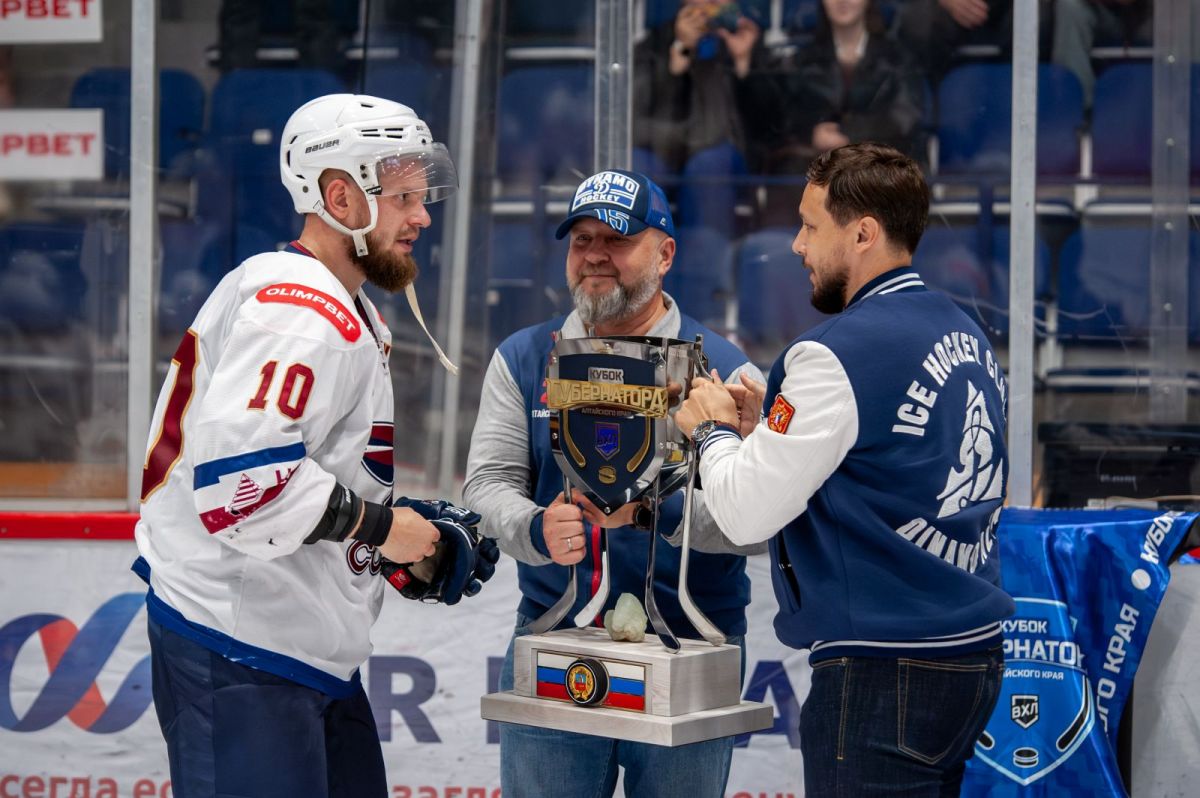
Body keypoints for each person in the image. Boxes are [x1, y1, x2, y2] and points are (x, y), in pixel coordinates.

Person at [133, 93, 490, 798]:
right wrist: (384, 528)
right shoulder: (300, 313)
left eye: (422, 197)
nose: (422, 216)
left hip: (297, 648)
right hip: (240, 647)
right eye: (403, 198)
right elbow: (241, 489)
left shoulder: (337, 303)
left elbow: (305, 472)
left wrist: (397, 542)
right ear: (340, 196)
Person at [676, 143, 1014, 796]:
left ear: (863, 233)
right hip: (971, 655)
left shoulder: (833, 353)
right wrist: (768, 434)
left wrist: (712, 430)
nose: (797, 246)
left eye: (810, 226)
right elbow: (892, 461)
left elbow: (745, 513)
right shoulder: (965, 330)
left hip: (883, 671)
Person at [463, 168, 765, 798]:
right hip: (555, 635)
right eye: (582, 240)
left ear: (666, 253)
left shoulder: (726, 371)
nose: (595, 255)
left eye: (617, 239)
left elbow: (759, 525)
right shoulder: (524, 357)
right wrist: (537, 529)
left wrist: (659, 515)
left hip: (692, 639)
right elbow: (486, 489)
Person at [634, 1, 782, 234]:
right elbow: (639, 110)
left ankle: (706, 252)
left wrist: (744, 63)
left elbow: (771, 122)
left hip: (726, 150)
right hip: (664, 146)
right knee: (637, 166)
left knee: (709, 166)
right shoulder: (655, 43)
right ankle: (634, 250)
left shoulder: (748, 38)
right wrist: (681, 52)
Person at [790, 0, 927, 165]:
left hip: (883, 165)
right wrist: (811, 134)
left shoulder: (898, 58)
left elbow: (904, 117)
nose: (842, 1)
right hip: (818, 165)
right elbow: (789, 117)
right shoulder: (802, 61)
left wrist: (849, 136)